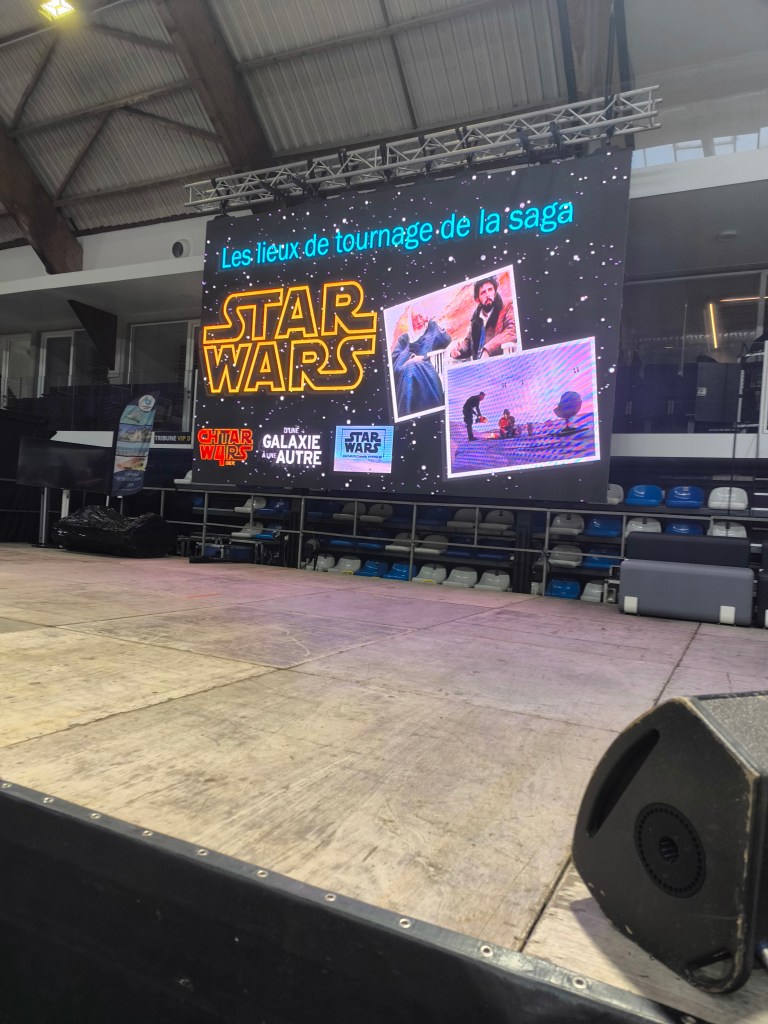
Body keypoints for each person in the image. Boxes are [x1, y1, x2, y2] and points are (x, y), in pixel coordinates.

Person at [391, 307, 451, 417]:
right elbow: (395, 357)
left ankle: (407, 413)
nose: (418, 321)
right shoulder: (405, 338)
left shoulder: (431, 330)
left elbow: (446, 339)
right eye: (415, 319)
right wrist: (411, 357)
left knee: (410, 369)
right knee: (409, 368)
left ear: (425, 317)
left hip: (427, 366)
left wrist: (432, 323)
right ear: (411, 321)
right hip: (407, 366)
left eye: (420, 316)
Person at [450, 275, 519, 360]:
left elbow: (512, 331)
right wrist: (457, 351)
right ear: (477, 299)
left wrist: (488, 349)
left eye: (490, 289)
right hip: (479, 364)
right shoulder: (476, 319)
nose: (488, 295)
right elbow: (468, 343)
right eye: (483, 292)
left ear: (495, 291)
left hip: (499, 362)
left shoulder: (507, 306)